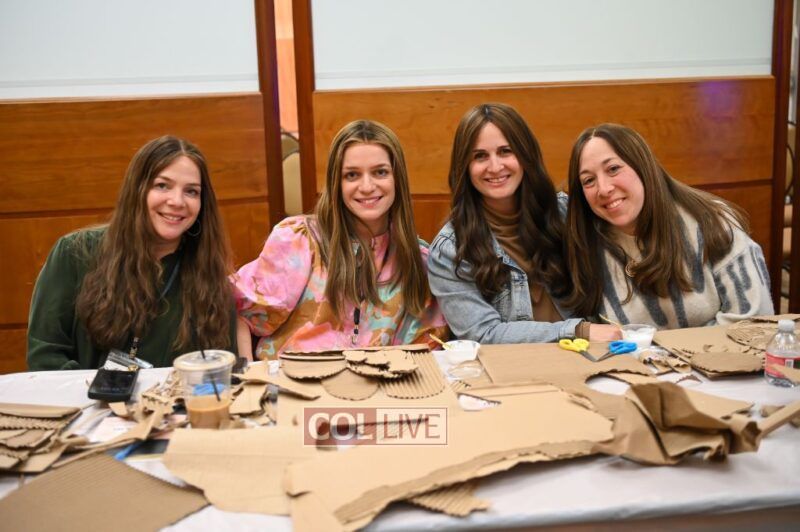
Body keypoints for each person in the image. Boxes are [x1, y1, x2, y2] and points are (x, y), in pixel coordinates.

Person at [232, 120, 447, 360]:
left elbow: (425, 352)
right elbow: (241, 313)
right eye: (352, 175)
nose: (367, 186)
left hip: (378, 383)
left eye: (380, 172)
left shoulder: (417, 262)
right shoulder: (299, 241)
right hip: (288, 379)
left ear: (397, 178)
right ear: (337, 182)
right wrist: (246, 372)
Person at [27, 136, 238, 370]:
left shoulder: (212, 276)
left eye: (191, 191)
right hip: (84, 394)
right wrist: (95, 391)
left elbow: (221, 370)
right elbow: (45, 355)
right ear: (137, 189)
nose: (177, 201)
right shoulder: (74, 253)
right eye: (162, 185)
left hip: (175, 395)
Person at [427, 103, 620, 343]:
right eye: (480, 156)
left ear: (525, 154)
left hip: (592, 357)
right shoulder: (449, 251)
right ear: (464, 167)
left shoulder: (566, 214)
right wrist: (577, 330)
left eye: (505, 151)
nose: (495, 167)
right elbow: (483, 334)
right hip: (512, 365)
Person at [564, 122, 773, 328]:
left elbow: (754, 323)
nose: (603, 189)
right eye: (588, 180)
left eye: (613, 169)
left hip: (722, 351)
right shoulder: (585, 243)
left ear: (642, 166)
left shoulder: (713, 222)